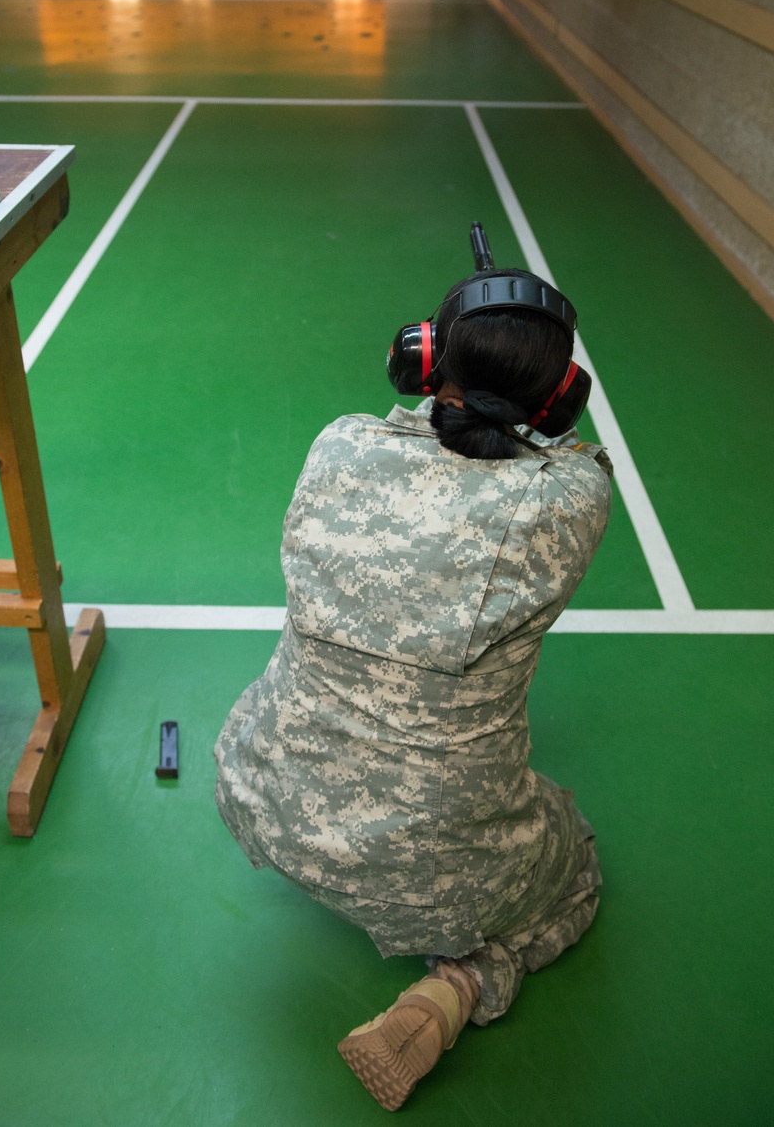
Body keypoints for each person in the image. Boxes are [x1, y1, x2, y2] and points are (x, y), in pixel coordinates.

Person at [214, 260, 613, 1112]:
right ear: (559, 402)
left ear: (423, 361)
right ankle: (464, 983)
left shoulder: (340, 445)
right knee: (573, 859)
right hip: (431, 872)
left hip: (263, 790)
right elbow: (567, 459)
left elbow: (417, 432)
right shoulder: (572, 501)